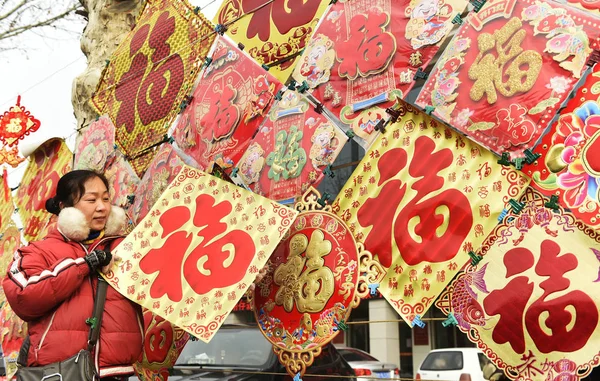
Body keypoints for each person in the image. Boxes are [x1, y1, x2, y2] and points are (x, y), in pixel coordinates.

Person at [3, 170, 143, 380]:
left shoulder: (126, 248)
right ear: (64, 207)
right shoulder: (37, 251)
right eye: (91, 199)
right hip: (61, 372)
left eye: (106, 198)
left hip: (115, 372)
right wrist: (86, 264)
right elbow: (24, 296)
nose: (102, 207)